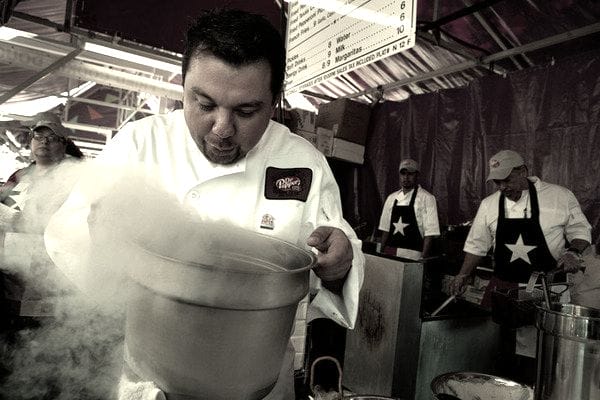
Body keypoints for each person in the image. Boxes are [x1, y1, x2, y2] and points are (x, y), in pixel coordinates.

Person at [44, 8, 364, 400]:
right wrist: (100, 235)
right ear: (182, 85)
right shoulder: (140, 143)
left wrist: (340, 266)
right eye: (205, 104)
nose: (222, 129)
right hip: (151, 379)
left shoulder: (303, 163)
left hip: (260, 380)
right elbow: (66, 235)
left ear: (274, 100)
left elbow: (334, 254)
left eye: (246, 111)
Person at [449, 149, 591, 383]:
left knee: (541, 357)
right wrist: (462, 275)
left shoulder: (559, 196)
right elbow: (477, 246)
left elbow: (580, 230)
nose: (502, 187)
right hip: (504, 290)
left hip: (545, 290)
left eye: (507, 180)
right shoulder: (488, 204)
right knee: (500, 354)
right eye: (497, 182)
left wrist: (572, 252)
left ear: (523, 171)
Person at [377, 158, 440, 260]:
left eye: (410, 174)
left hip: (413, 255)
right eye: (403, 173)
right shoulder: (391, 198)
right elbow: (385, 229)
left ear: (417, 175)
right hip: (390, 252)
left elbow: (430, 233)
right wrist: (380, 253)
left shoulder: (427, 198)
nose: (406, 177)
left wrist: (423, 258)